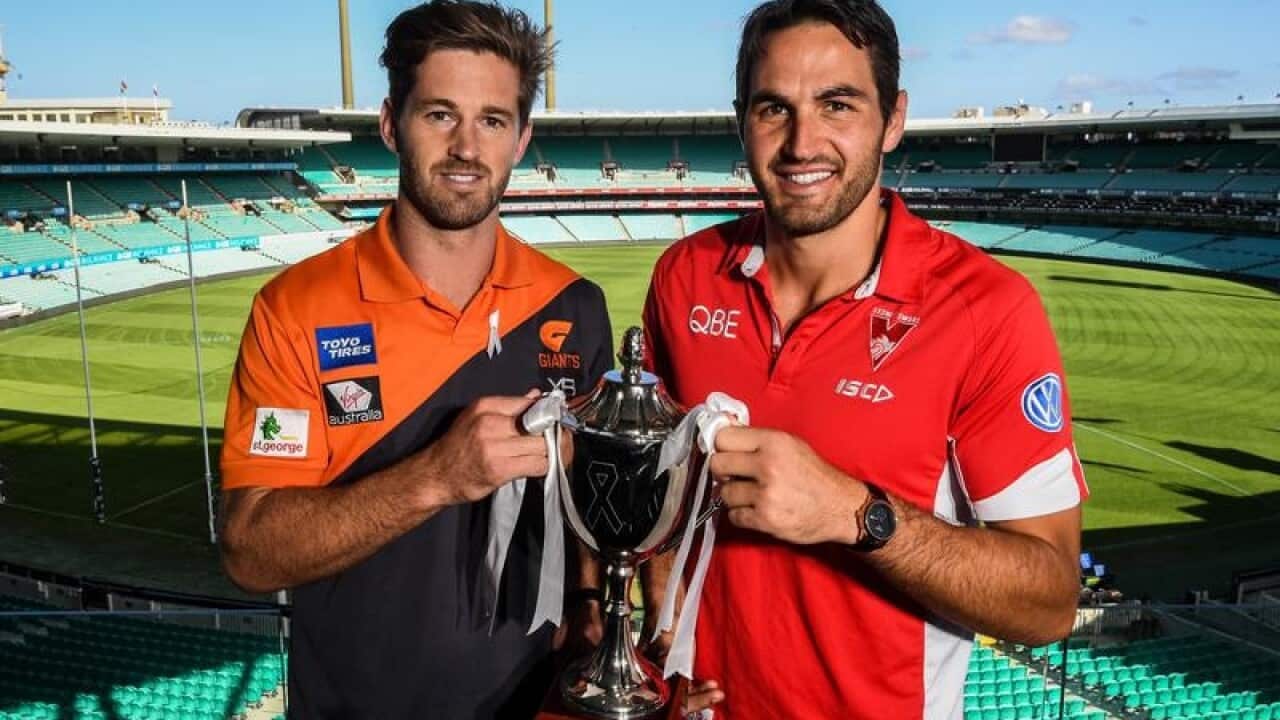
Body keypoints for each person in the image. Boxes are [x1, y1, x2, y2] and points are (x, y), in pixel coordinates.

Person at [642, 1, 1087, 717]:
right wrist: (668, 632)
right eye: (773, 109)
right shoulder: (684, 277)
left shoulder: (987, 311)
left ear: (894, 118)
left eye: (837, 104)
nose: (801, 142)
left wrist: (857, 514)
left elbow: (1050, 601)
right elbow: (663, 494)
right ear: (740, 119)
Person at [217, 2, 611, 716]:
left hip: (534, 704)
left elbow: (585, 500)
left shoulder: (573, 307)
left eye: (492, 120)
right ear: (391, 123)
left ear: (521, 138)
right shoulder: (296, 308)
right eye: (439, 115)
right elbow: (251, 549)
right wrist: (436, 476)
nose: (466, 147)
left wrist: (588, 601)